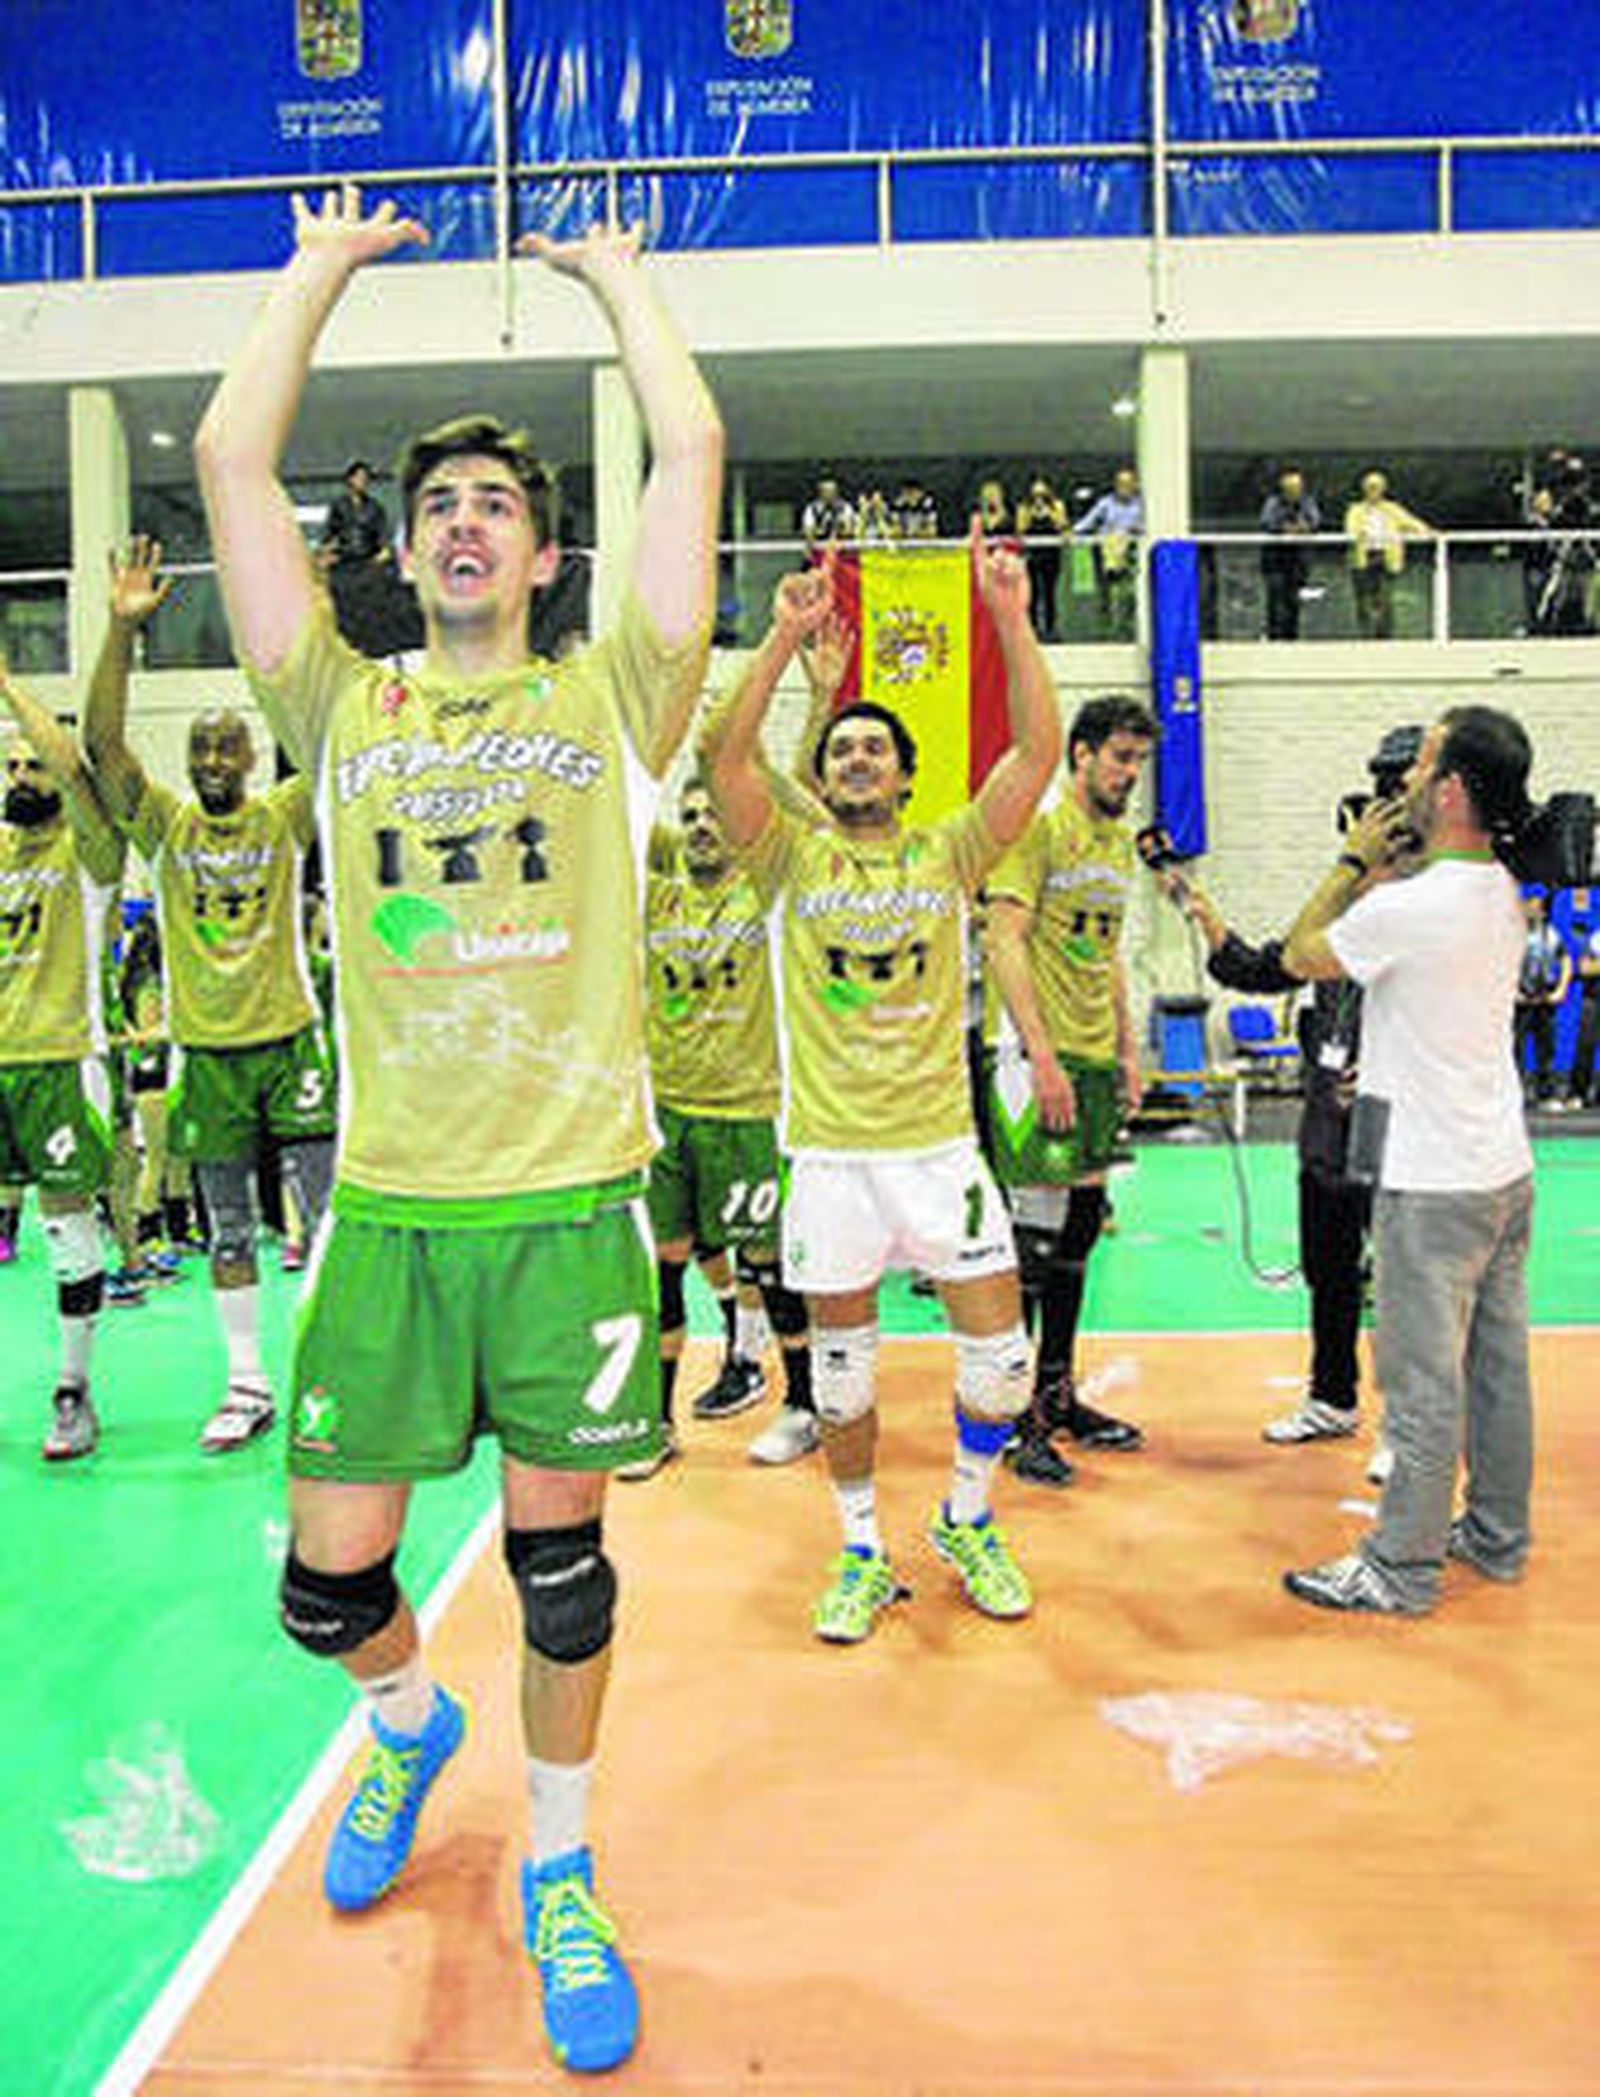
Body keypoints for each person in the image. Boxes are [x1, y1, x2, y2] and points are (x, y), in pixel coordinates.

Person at [194, 183, 722, 2075]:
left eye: (497, 501)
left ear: (544, 549)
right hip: (394, 1210)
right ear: (406, 555)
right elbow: (228, 462)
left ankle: (562, 1867)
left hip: (569, 1207)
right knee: (326, 1584)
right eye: (439, 507)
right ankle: (409, 1723)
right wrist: (315, 272)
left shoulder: (615, 699)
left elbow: (694, 452)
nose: (466, 521)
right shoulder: (338, 703)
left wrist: (621, 286)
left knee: (560, 1574)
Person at [706, 528, 1062, 1644]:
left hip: (939, 1151)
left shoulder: (949, 850)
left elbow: (1037, 753)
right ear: (822, 776)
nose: (858, 758)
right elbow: (725, 761)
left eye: (876, 748)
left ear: (906, 775)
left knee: (1002, 1362)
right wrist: (781, 639)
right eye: (842, 749)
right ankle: (862, 1548)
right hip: (828, 1158)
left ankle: (965, 1515)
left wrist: (1010, 616)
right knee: (843, 1381)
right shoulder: (789, 858)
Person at [1280, 707, 1537, 1613]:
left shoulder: (1407, 907)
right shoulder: (1503, 887)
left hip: (1431, 1180)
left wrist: (1352, 862)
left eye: (1424, 765)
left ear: (1454, 789)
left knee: (1422, 1384)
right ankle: (1497, 1536)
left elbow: (1298, 952)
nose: (1408, 783)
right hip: (1500, 1165)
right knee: (1497, 1371)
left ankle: (1401, 1566)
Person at [83, 539, 337, 1454]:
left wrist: (310, 602)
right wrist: (121, 630)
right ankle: (247, 1383)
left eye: (229, 743)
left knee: (329, 1221)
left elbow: (329, 723)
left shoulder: (286, 813)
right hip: (209, 1057)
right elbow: (102, 747)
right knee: (228, 1230)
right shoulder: (168, 825)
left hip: (293, 1041)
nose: (215, 756)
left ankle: (333, 1378)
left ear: (253, 754)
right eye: (201, 746)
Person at [983, 696, 1157, 1487]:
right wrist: (1041, 1053)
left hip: (1090, 1055)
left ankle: (1056, 1397)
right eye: (1120, 757)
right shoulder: (1037, 826)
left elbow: (1109, 951)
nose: (1130, 773)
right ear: (1081, 754)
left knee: (1081, 1226)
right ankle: (1012, 1416)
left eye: (1138, 760)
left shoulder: (1117, 843)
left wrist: (1126, 1048)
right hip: (1034, 1056)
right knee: (1033, 1242)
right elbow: (1004, 939)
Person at [636, 772, 818, 1472]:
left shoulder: (760, 892)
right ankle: (656, 1423)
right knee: (665, 1268)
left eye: (713, 814)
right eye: (689, 816)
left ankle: (802, 1406)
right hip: (668, 1113)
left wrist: (750, 758)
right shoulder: (658, 895)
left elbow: (807, 823)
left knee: (767, 1266)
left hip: (747, 1113)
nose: (702, 826)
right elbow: (612, 813)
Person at [0, 660, 126, 1460]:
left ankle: (74, 1387)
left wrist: (9, 682)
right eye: (10, 765)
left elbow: (72, 761)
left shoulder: (89, 852)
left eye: (32, 764)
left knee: (68, 1227)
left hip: (62, 1056)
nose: (20, 774)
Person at [1344, 470, 1431, 640]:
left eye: (1376, 487)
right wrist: (1358, 533)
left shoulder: (1392, 509)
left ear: (1383, 489)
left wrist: (1429, 531)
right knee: (1364, 600)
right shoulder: (1355, 510)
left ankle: (1384, 638)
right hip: (1364, 557)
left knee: (1385, 599)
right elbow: (1350, 529)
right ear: (1364, 489)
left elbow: (1411, 522)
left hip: (1386, 556)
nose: (1373, 490)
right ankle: (1366, 637)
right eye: (1370, 487)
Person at [1514, 891, 1571, 1106]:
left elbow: (1565, 960)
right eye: (1526, 904)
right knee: (1517, 1049)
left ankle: (1546, 1093)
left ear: (1542, 911)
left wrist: (1561, 989)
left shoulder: (1552, 935)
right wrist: (1513, 991)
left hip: (1545, 998)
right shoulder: (1514, 935)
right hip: (1522, 999)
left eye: (1534, 905)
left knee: (1546, 1048)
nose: (1529, 908)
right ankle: (1517, 1094)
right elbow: (1501, 964)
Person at [1073, 468, 1143, 639]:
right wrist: (1071, 532)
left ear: (1135, 485)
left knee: (1129, 592)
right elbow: (1087, 522)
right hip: (1108, 553)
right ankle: (1108, 625)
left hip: (1132, 553)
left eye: (1128, 484)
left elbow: (1148, 527)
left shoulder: (1141, 505)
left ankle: (1129, 624)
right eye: (1120, 484)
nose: (1124, 488)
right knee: (1108, 591)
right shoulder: (1106, 503)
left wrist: (1137, 530)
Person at [1259, 466, 1321, 641]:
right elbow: (1268, 523)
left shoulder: (1307, 502)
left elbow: (1315, 522)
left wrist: (1304, 528)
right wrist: (1284, 528)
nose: (1294, 491)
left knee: (1293, 601)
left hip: (1298, 561)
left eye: (1297, 487)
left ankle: (1291, 637)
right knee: (1276, 601)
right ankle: (1274, 636)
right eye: (1290, 488)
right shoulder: (1273, 503)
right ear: (1282, 487)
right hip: (1275, 561)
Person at [1014, 475, 1067, 643]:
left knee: (1050, 592)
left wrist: (1050, 512)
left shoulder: (1057, 506)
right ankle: (1033, 627)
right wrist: (1031, 513)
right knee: (1033, 592)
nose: (1039, 498)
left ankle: (1051, 628)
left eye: (1043, 495)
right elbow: (1020, 529)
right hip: (1033, 554)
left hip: (1051, 553)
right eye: (1035, 495)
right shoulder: (1024, 508)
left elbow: (1062, 526)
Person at [318, 458, 391, 570]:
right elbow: (330, 534)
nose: (363, 481)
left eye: (366, 478)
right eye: (359, 477)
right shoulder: (339, 505)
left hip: (367, 561)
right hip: (344, 561)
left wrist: (382, 555)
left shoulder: (375, 508)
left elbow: (382, 537)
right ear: (350, 479)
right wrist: (327, 553)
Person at [1564, 887, 1600, 1108]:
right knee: (1585, 1044)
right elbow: (1586, 968)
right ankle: (1577, 1093)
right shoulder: (1596, 938)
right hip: (1594, 998)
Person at [800, 474, 856, 551]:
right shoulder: (811, 509)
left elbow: (848, 530)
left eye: (832, 491)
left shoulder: (845, 507)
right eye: (826, 491)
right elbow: (808, 532)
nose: (830, 494)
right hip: (819, 550)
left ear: (837, 492)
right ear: (820, 492)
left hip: (841, 550)